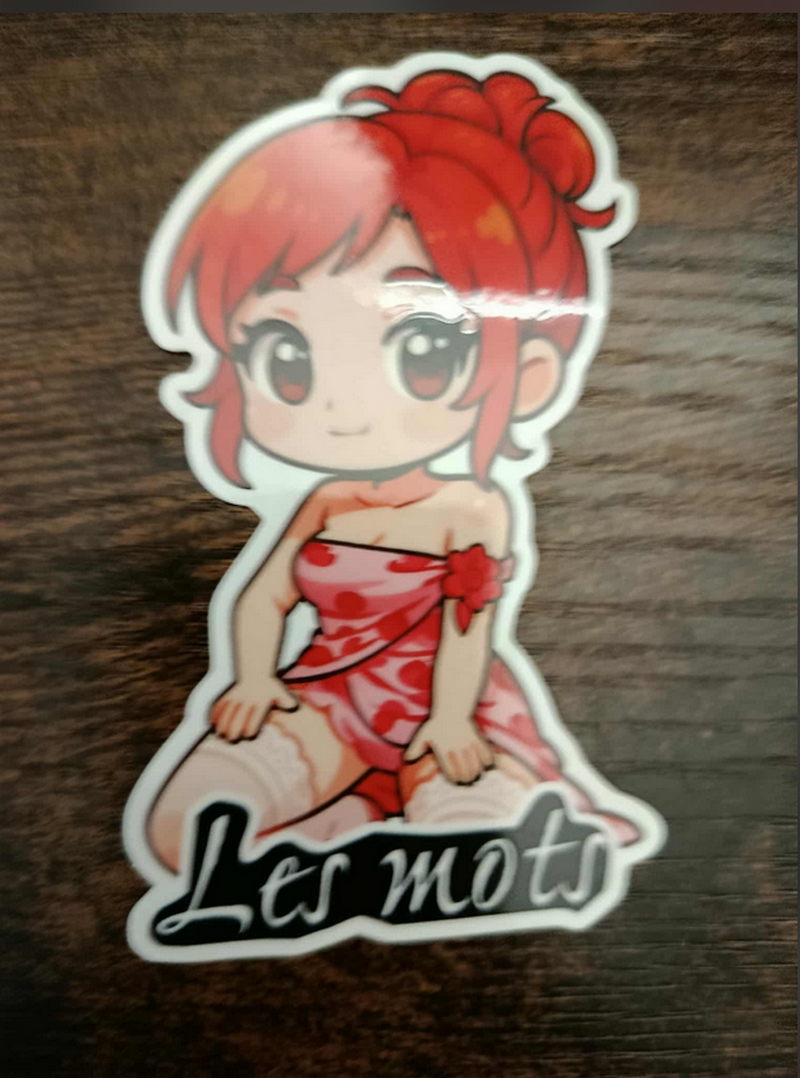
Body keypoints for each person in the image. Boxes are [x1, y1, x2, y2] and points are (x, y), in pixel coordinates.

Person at [147, 69, 639, 871]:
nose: (344, 405)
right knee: (188, 832)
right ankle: (350, 818)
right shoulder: (326, 500)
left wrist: (449, 721)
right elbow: (266, 594)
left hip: (441, 702)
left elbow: (467, 625)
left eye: (423, 348)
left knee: (477, 834)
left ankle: (381, 811)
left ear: (530, 374)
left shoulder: (474, 509)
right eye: (285, 353)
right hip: (329, 694)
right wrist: (253, 677)